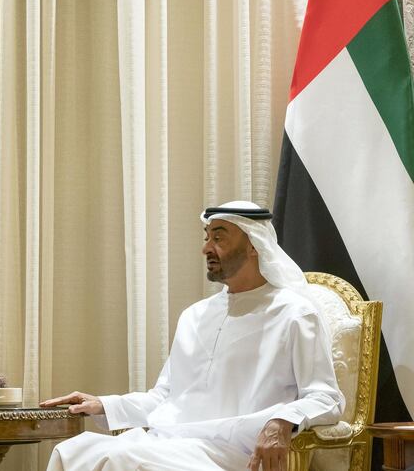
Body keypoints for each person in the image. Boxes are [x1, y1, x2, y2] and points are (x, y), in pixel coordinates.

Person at [40, 201, 345, 471]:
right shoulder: (195, 315)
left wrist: (282, 421)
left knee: (121, 461)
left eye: (219, 237)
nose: (206, 248)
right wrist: (103, 405)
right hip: (167, 443)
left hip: (232, 453)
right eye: (207, 238)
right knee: (72, 452)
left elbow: (326, 397)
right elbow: (165, 398)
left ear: (255, 245)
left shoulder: (295, 313)